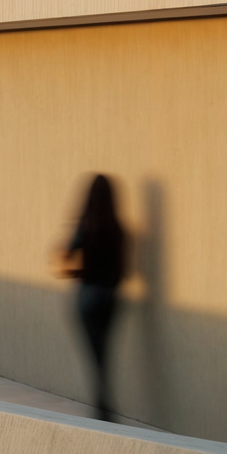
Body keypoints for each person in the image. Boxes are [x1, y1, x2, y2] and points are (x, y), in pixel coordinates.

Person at [60, 172, 130, 421]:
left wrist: (80, 272)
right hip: (110, 298)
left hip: (88, 297)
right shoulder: (118, 229)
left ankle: (102, 409)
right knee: (104, 353)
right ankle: (103, 407)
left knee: (95, 355)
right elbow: (123, 271)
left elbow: (65, 255)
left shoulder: (85, 225)